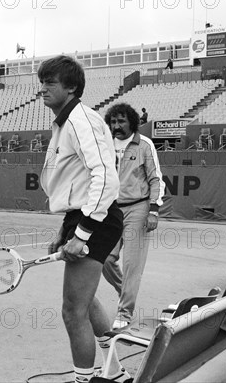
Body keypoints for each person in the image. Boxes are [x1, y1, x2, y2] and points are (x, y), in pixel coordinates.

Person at [38, 55, 131, 383]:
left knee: (72, 310)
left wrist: (83, 233)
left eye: (51, 82)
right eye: (42, 82)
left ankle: (83, 380)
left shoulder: (82, 120)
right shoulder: (63, 123)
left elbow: (105, 178)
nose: (43, 88)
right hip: (83, 217)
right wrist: (65, 229)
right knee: (86, 299)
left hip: (98, 221)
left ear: (72, 87)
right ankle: (116, 372)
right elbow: (73, 184)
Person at [102, 103, 165, 330]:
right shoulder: (105, 144)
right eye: (113, 122)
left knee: (131, 264)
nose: (116, 126)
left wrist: (154, 210)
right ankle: (126, 292)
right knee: (106, 260)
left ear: (132, 122)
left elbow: (155, 179)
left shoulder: (144, 145)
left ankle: (124, 312)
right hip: (111, 210)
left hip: (138, 208)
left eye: (121, 122)